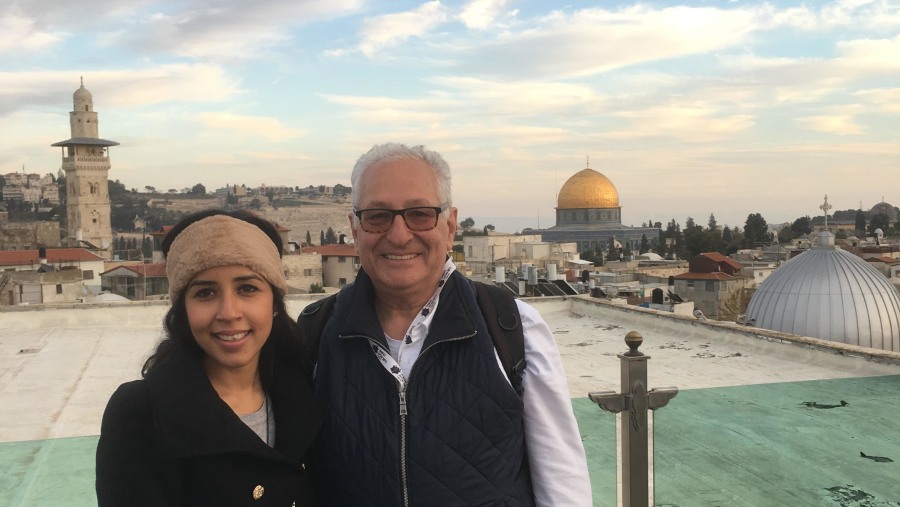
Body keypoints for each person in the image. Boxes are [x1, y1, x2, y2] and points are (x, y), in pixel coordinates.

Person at [309, 143, 592, 506]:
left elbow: (562, 483)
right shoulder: (315, 332)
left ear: (450, 226)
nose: (398, 235)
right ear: (354, 227)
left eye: (420, 214)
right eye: (378, 215)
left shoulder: (512, 327)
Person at [96, 209, 321, 506]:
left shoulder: (305, 385)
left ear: (275, 303)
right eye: (205, 293)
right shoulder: (141, 413)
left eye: (247, 288)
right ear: (183, 310)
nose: (229, 312)